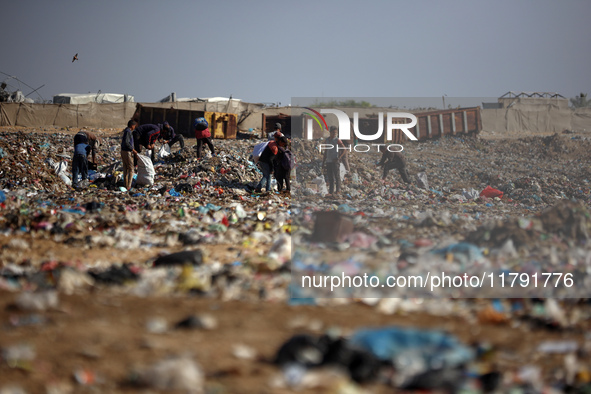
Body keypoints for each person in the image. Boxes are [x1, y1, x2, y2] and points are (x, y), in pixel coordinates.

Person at [322, 126, 346, 195]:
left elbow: (344, 149)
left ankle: (338, 190)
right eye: (333, 132)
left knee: (337, 176)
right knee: (330, 177)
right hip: (328, 161)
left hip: (335, 161)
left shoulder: (337, 140)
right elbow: (326, 151)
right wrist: (323, 162)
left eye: (335, 133)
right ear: (330, 132)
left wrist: (339, 157)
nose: (334, 134)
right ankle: (331, 191)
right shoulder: (327, 140)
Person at [121, 120, 139, 191]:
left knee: (125, 168)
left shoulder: (126, 131)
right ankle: (129, 186)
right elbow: (126, 143)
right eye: (134, 126)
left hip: (123, 151)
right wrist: (133, 149)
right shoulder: (128, 132)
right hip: (127, 152)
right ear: (132, 125)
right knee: (131, 169)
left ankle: (125, 184)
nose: (135, 127)